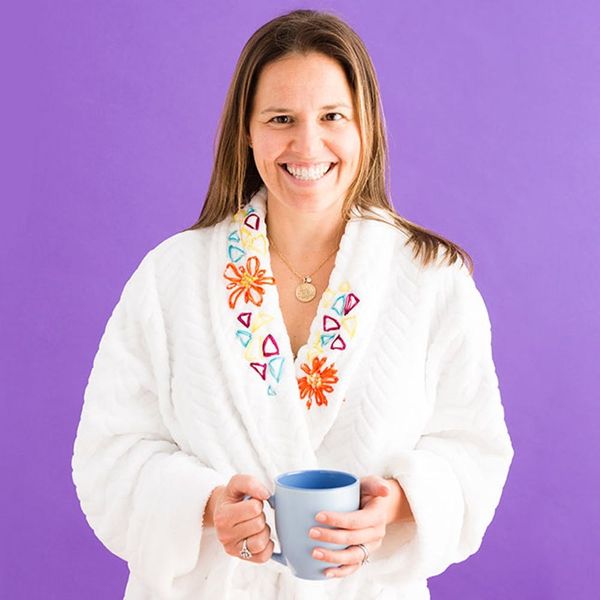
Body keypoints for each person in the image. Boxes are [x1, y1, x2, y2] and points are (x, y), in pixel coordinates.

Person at [71, 8, 514, 600]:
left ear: (365, 127)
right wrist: (206, 505)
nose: (307, 144)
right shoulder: (169, 277)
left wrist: (399, 503)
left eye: (332, 116)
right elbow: (110, 453)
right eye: (281, 118)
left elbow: (475, 451)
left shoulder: (432, 278)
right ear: (247, 131)